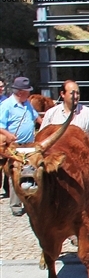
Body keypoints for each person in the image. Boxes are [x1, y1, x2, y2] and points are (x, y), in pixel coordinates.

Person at [40, 80, 89, 174]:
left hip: (82, 163)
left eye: (78, 93)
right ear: (63, 94)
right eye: (72, 93)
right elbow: (42, 138)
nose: (76, 96)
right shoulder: (51, 114)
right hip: (58, 164)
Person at [0, 77, 41, 217]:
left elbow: (36, 118)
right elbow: (0, 125)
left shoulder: (27, 104)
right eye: (27, 91)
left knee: (31, 170)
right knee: (15, 173)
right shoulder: (6, 105)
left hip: (30, 144)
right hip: (15, 145)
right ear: (19, 92)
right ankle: (16, 204)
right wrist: (8, 135)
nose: (29, 94)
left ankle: (30, 199)